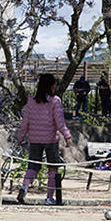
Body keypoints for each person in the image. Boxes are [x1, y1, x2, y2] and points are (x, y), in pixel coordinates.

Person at [17, 73, 72, 205]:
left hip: (34, 139)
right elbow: (59, 122)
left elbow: (25, 123)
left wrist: (21, 137)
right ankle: (49, 198)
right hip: (51, 140)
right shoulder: (55, 101)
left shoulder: (31, 101)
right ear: (52, 86)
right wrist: (67, 136)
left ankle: (24, 187)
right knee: (52, 169)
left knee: (33, 167)